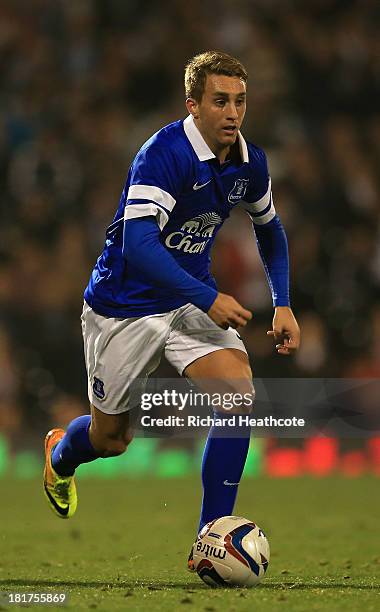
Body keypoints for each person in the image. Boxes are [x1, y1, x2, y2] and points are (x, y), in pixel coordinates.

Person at [43, 51, 300, 567]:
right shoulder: (163, 153)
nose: (232, 112)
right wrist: (209, 296)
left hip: (186, 298)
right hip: (123, 306)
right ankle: (60, 455)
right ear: (194, 105)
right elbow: (139, 244)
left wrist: (284, 303)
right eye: (220, 101)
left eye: (240, 101)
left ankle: (211, 537)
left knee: (236, 396)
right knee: (111, 439)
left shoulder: (250, 162)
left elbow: (269, 228)